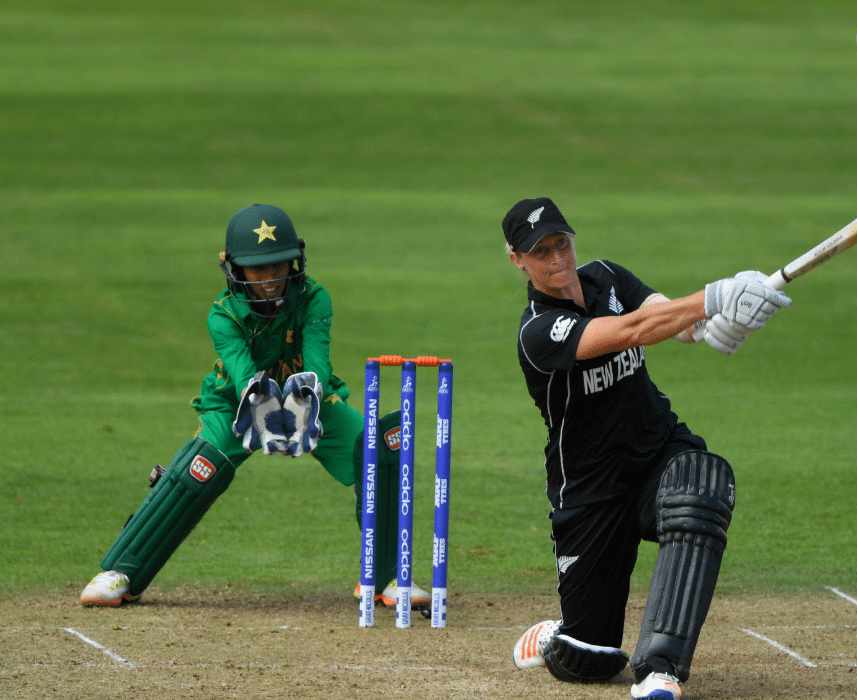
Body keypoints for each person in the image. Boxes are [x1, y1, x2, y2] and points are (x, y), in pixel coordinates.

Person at [502, 197, 791, 700]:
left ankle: (662, 669)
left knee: (701, 487)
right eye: (541, 251)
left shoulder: (607, 277)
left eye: (561, 244)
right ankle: (557, 635)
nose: (557, 260)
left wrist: (717, 323)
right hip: (591, 490)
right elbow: (633, 331)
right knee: (588, 660)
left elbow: (664, 317)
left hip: (656, 450)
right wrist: (716, 295)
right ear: (518, 260)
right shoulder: (538, 332)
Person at [79, 203, 428, 609]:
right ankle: (121, 571)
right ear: (232, 267)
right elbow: (245, 376)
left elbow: (316, 365)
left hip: (309, 398)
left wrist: (305, 402)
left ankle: (384, 578)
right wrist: (265, 406)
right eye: (258, 270)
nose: (271, 280)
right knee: (196, 470)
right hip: (236, 403)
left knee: (374, 452)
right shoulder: (223, 314)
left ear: (295, 259)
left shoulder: (315, 298)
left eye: (279, 266)